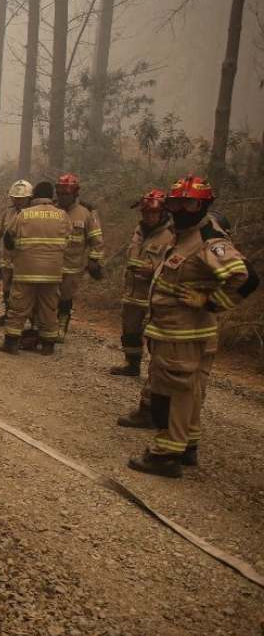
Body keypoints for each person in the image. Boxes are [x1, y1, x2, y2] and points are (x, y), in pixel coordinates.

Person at [122, 176, 258, 477]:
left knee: (171, 394)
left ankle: (165, 454)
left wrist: (210, 301)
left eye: (189, 203)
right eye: (176, 202)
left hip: (182, 334)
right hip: (180, 333)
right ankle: (187, 446)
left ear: (203, 205)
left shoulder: (208, 240)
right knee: (190, 392)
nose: (181, 209)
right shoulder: (180, 236)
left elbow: (245, 277)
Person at [0, 181, 71, 355]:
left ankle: (11, 343)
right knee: (48, 307)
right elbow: (68, 239)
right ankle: (48, 345)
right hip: (52, 272)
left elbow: (8, 238)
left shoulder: (24, 214)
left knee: (19, 306)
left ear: (34, 196)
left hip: (26, 270)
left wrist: (15, 251)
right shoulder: (62, 215)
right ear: (51, 196)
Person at [109, 190, 174, 377]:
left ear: (162, 213)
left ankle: (157, 374)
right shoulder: (139, 232)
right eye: (146, 213)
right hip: (132, 292)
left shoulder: (171, 236)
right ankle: (132, 364)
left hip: (154, 295)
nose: (149, 217)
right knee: (129, 331)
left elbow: (174, 268)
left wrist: (153, 272)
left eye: (153, 214)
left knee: (155, 337)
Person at [54, 173, 104, 340]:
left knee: (66, 298)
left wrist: (94, 260)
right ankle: (45, 326)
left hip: (72, 266)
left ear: (75, 193)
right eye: (60, 194)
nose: (62, 197)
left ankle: (62, 324)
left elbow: (96, 240)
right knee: (47, 297)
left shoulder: (85, 214)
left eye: (66, 194)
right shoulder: (51, 211)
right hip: (50, 264)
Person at [0, 180, 34, 326]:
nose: (18, 201)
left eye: (21, 199)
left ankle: (32, 320)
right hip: (7, 260)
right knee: (7, 289)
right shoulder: (7, 213)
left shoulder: (33, 214)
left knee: (26, 292)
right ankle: (8, 315)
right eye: (15, 198)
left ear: (29, 198)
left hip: (26, 260)